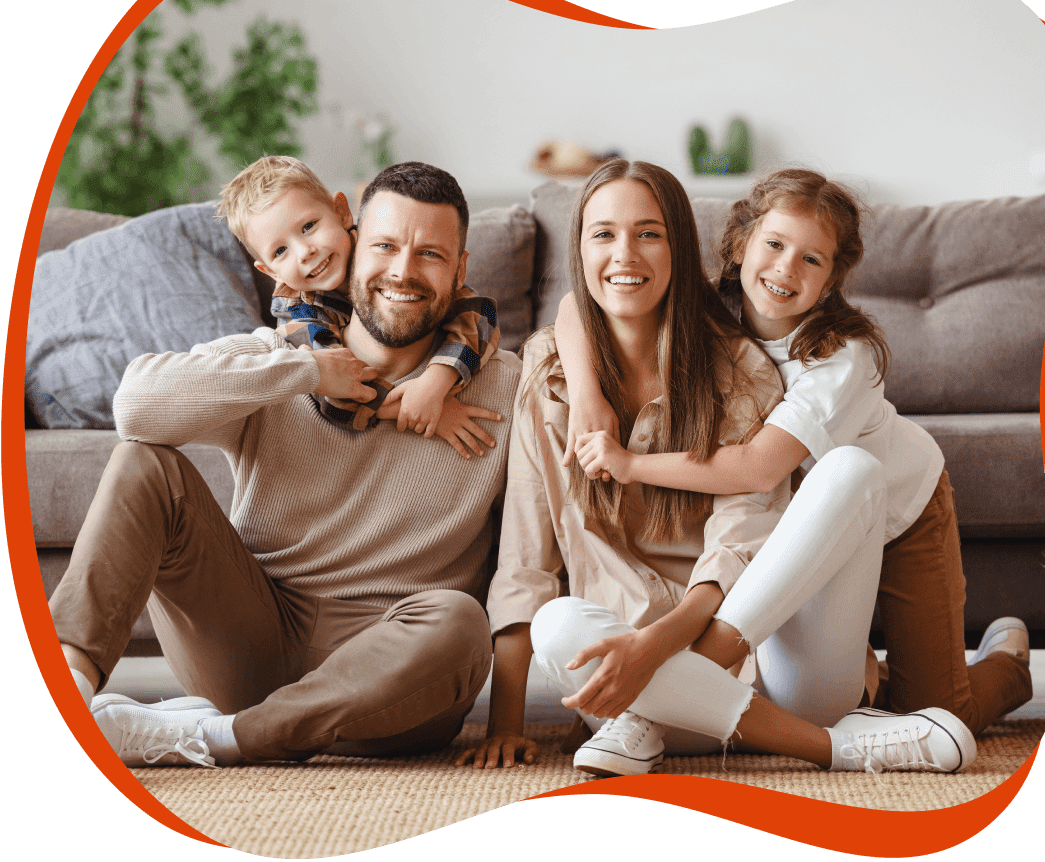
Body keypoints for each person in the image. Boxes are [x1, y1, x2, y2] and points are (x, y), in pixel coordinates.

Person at [461, 159, 976, 778]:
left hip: (773, 631)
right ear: (737, 248)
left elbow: (754, 491)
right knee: (557, 623)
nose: (626, 252)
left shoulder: (758, 363)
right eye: (603, 234)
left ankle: (984, 670)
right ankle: (837, 736)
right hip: (632, 681)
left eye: (649, 233)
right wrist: (507, 723)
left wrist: (628, 466)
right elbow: (524, 556)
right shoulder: (550, 371)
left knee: (852, 475)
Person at [50, 161, 521, 767]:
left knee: (459, 621)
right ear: (357, 240)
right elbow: (134, 406)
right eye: (386, 246)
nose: (402, 271)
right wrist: (305, 372)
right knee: (142, 465)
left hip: (396, 675)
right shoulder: (278, 360)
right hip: (252, 639)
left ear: (460, 269)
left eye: (429, 253)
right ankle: (64, 693)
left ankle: (221, 738)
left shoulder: (507, 384)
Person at [566, 168, 1033, 736]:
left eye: (812, 260)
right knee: (840, 686)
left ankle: (1007, 663)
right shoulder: (710, 315)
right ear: (740, 245)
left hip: (899, 511)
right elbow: (575, 307)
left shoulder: (843, 357)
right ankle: (872, 686)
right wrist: (588, 396)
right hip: (810, 521)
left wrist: (631, 464)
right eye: (775, 244)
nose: (787, 268)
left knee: (937, 712)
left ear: (834, 277)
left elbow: (761, 466)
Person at [220, 155, 501, 448]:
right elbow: (338, 391)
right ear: (269, 271)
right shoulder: (298, 311)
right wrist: (421, 408)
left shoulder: (379, 246)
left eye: (308, 226)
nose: (305, 252)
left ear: (341, 212)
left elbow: (482, 316)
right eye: (280, 251)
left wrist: (438, 381)